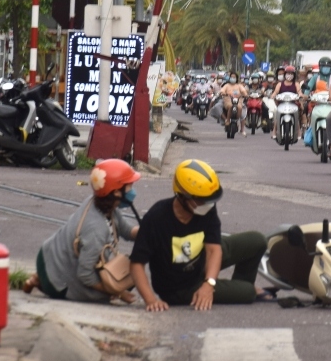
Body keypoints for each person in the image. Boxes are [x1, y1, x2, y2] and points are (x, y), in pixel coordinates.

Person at [129, 159, 273, 311]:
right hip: (180, 288)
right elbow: (137, 264)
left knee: (256, 241)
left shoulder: (205, 208)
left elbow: (214, 249)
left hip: (201, 259)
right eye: (201, 200)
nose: (208, 204)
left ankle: (239, 284)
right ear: (182, 196)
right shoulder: (156, 218)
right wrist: (150, 300)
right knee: (248, 293)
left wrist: (209, 284)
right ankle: (243, 289)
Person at [23, 159, 141, 303]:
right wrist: (120, 293)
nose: (133, 191)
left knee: (117, 281)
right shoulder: (96, 229)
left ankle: (38, 278)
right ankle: (43, 283)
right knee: (119, 284)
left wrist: (148, 232)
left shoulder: (101, 203)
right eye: (130, 186)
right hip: (58, 282)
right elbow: (85, 275)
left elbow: (126, 230)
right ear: (116, 192)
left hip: (50, 255)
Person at [271, 65, 304, 141]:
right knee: (277, 115)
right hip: (282, 103)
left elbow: (299, 92)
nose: (289, 75)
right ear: (285, 74)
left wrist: (301, 96)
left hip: (293, 103)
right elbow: (275, 92)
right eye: (288, 73)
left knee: (297, 115)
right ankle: (274, 131)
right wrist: (272, 96)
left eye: (291, 74)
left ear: (294, 75)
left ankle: (298, 131)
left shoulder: (296, 84)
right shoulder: (280, 84)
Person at [220, 71, 248, 136]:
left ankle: (237, 121)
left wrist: (245, 94)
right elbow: (222, 91)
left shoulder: (239, 86)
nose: (233, 78)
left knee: (240, 108)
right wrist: (224, 93)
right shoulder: (227, 85)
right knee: (230, 106)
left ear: (236, 78)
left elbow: (244, 91)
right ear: (229, 78)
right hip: (228, 100)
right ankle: (227, 120)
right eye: (231, 77)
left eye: (234, 77)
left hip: (238, 101)